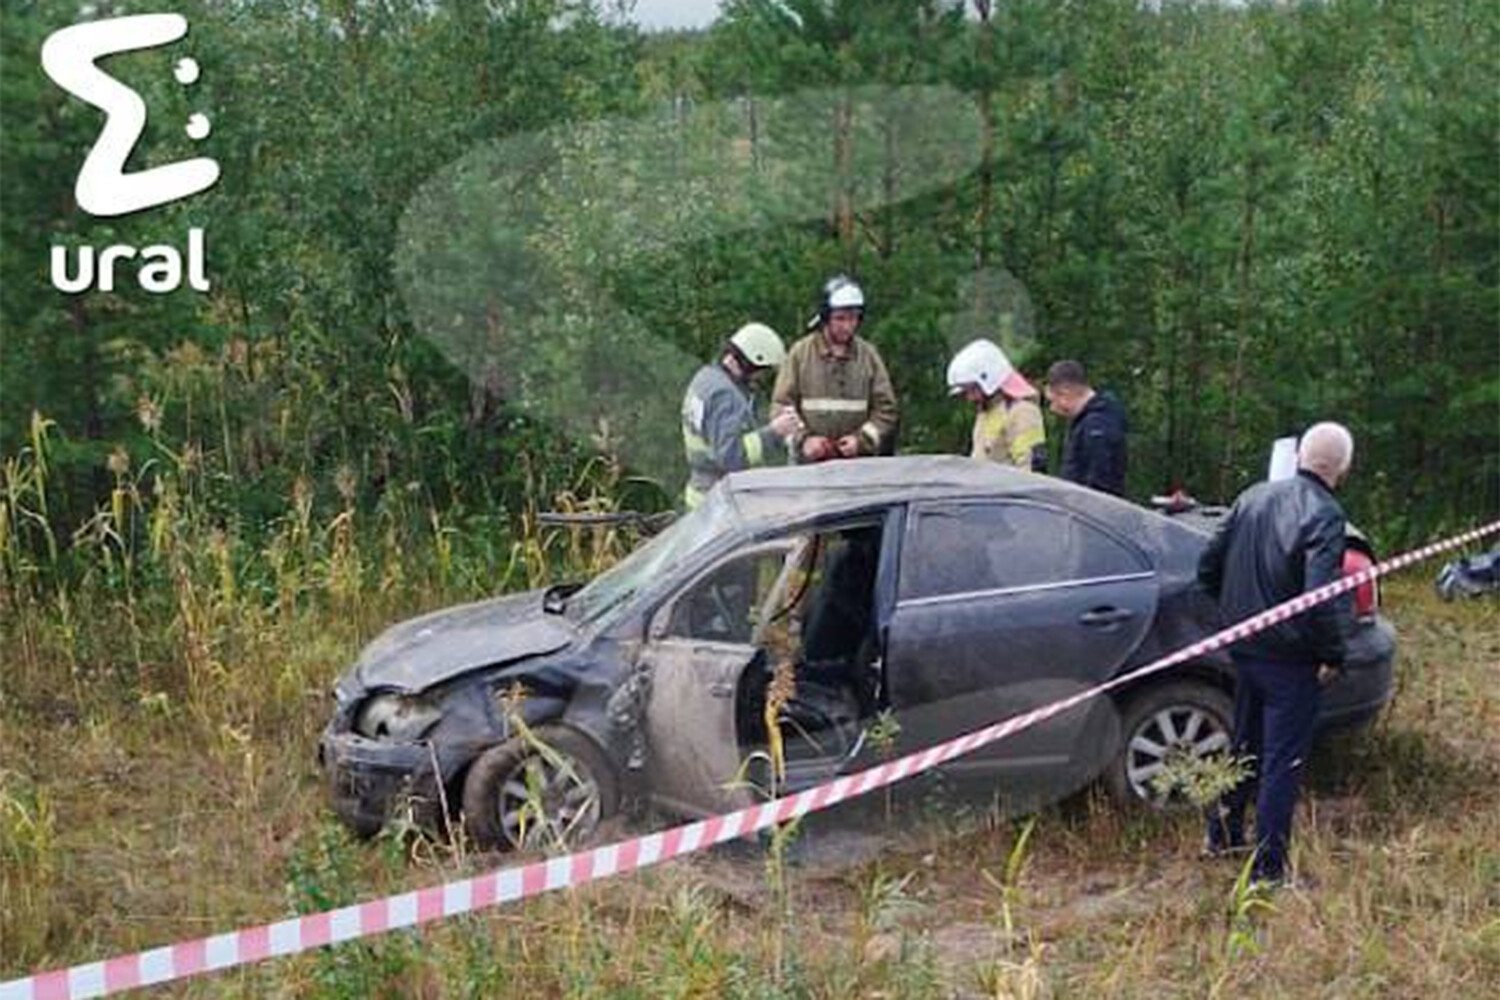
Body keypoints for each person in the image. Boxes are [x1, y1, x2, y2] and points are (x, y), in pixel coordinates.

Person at [1198, 421, 1355, 887]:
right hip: (1289, 660)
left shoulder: (1253, 496)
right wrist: (1333, 654)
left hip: (1243, 647)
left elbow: (1208, 566)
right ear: (1342, 468)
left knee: (1243, 744)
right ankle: (1269, 870)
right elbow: (1319, 596)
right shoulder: (1325, 514)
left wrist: (1233, 614)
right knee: (1281, 762)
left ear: (1303, 456)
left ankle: (1221, 835)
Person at [773, 275, 899, 463]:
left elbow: (886, 409)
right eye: (840, 319)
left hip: (856, 467)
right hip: (809, 469)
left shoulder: (869, 356)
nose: (847, 326)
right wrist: (804, 440)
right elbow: (782, 406)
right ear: (825, 317)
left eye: (853, 319)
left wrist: (862, 441)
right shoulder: (800, 354)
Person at [680, 322, 802, 509]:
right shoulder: (726, 396)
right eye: (764, 371)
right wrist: (775, 432)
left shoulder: (705, 378)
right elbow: (730, 457)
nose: (761, 379)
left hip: (700, 496)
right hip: (720, 504)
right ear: (750, 363)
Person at [946, 338, 1046, 472]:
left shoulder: (1022, 412)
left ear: (990, 380)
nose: (970, 397)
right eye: (966, 391)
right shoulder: (986, 413)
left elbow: (1030, 468)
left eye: (973, 389)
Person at [1044, 359, 1128, 496]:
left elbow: (1099, 483)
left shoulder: (1096, 426)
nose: (1052, 408)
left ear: (1065, 392)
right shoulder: (1089, 422)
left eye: (1053, 400)